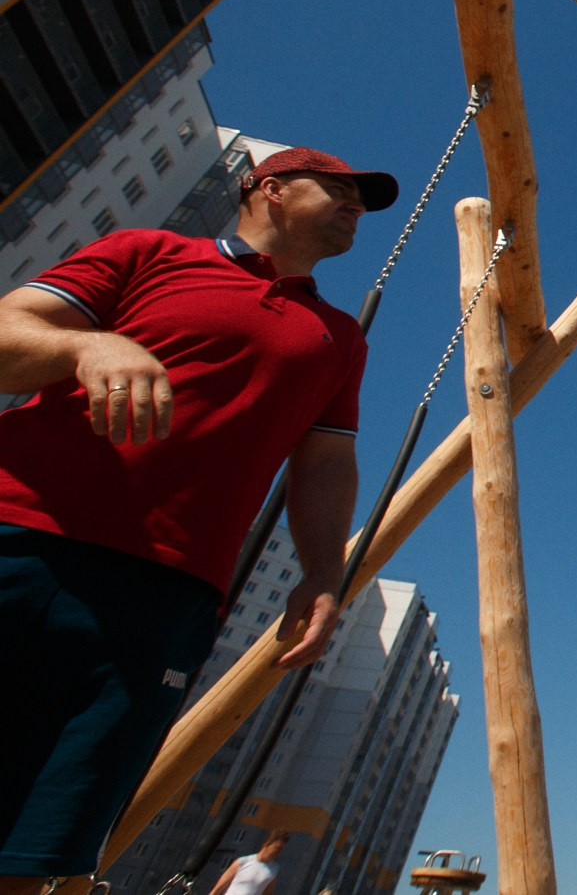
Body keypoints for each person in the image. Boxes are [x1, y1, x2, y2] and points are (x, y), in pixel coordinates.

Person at [0, 148, 397, 894]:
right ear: (270, 189)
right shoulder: (147, 252)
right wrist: (86, 343)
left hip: (164, 597)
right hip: (19, 537)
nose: (357, 207)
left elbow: (322, 465)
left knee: (39, 849)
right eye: (339, 189)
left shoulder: (338, 336)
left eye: (361, 199)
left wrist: (320, 573)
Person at [206, 832, 289, 895]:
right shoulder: (243, 861)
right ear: (266, 845)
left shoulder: (274, 870)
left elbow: (268, 893)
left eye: (281, 850)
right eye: (277, 848)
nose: (278, 852)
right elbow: (218, 888)